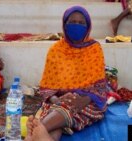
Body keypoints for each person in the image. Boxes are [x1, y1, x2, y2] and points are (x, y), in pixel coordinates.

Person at [25, 6, 109, 141]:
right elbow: (47, 87)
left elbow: (98, 85)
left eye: (81, 23)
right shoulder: (56, 49)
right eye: (73, 22)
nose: (77, 26)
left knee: (65, 108)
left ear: (88, 26)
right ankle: (42, 135)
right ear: (65, 25)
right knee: (58, 111)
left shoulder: (94, 48)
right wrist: (56, 99)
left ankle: (34, 132)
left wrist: (83, 100)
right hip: (58, 100)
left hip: (88, 101)